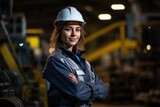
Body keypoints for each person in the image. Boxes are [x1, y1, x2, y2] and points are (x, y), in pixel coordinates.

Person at [42, 6, 109, 107]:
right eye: (68, 29)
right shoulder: (55, 61)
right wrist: (93, 87)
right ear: (59, 32)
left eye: (77, 30)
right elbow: (77, 93)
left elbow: (104, 90)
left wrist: (82, 86)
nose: (74, 34)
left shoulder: (84, 63)